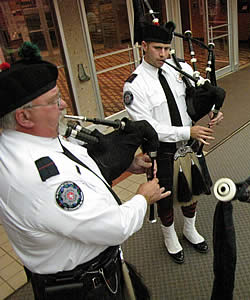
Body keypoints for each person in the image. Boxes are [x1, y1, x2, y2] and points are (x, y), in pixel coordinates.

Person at [0, 42, 170, 300]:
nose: (64, 103)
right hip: (85, 289)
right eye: (53, 101)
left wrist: (128, 164)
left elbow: (78, 169)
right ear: (24, 117)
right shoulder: (40, 178)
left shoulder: (32, 142)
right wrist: (142, 198)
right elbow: (115, 227)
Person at [123, 22, 224, 264]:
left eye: (167, 48)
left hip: (190, 143)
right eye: (158, 48)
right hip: (161, 151)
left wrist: (213, 109)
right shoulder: (135, 85)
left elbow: (200, 92)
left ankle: (189, 229)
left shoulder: (179, 67)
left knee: (193, 188)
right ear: (143, 46)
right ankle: (169, 236)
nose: (164, 54)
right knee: (165, 196)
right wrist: (186, 130)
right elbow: (150, 128)